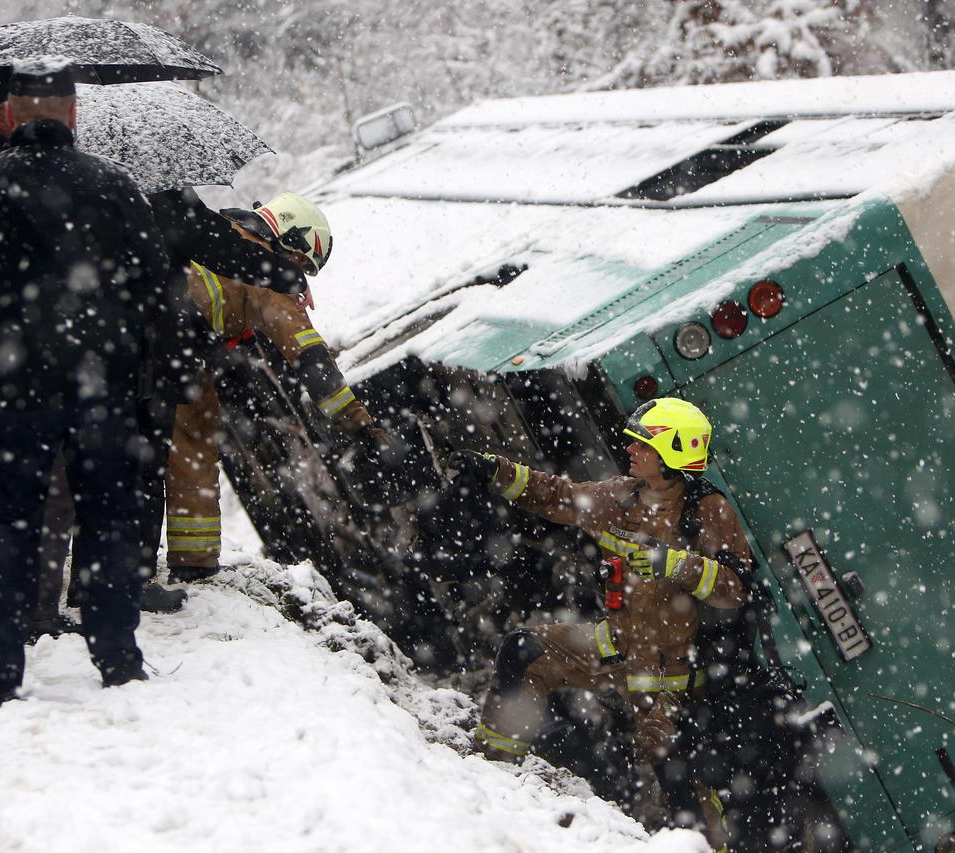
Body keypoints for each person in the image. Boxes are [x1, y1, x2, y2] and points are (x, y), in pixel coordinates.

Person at [0, 70, 313, 619]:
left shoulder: (31, 181)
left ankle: (38, 587)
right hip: (137, 347)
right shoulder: (138, 187)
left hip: (54, 349)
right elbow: (205, 242)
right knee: (134, 463)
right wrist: (280, 274)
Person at [448, 397, 750, 850]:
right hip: (613, 648)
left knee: (678, 778)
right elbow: (557, 497)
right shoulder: (621, 495)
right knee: (524, 651)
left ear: (672, 453)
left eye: (642, 443)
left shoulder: (709, 511)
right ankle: (492, 773)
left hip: (668, 677)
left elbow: (735, 590)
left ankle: (712, 847)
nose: (630, 449)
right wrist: (496, 470)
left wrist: (677, 564)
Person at [0, 61, 169, 705]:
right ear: (74, 114)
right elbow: (156, 291)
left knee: (9, 522)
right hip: (100, 390)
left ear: (12, 114)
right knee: (108, 519)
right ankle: (118, 656)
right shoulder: (117, 187)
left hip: (13, 391)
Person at [164, 192, 398, 582]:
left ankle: (112, 568)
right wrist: (361, 425)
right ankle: (194, 566)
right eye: (301, 261)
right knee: (194, 454)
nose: (298, 273)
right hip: (183, 364)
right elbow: (311, 360)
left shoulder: (217, 228)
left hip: (133, 347)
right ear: (290, 237)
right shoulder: (265, 275)